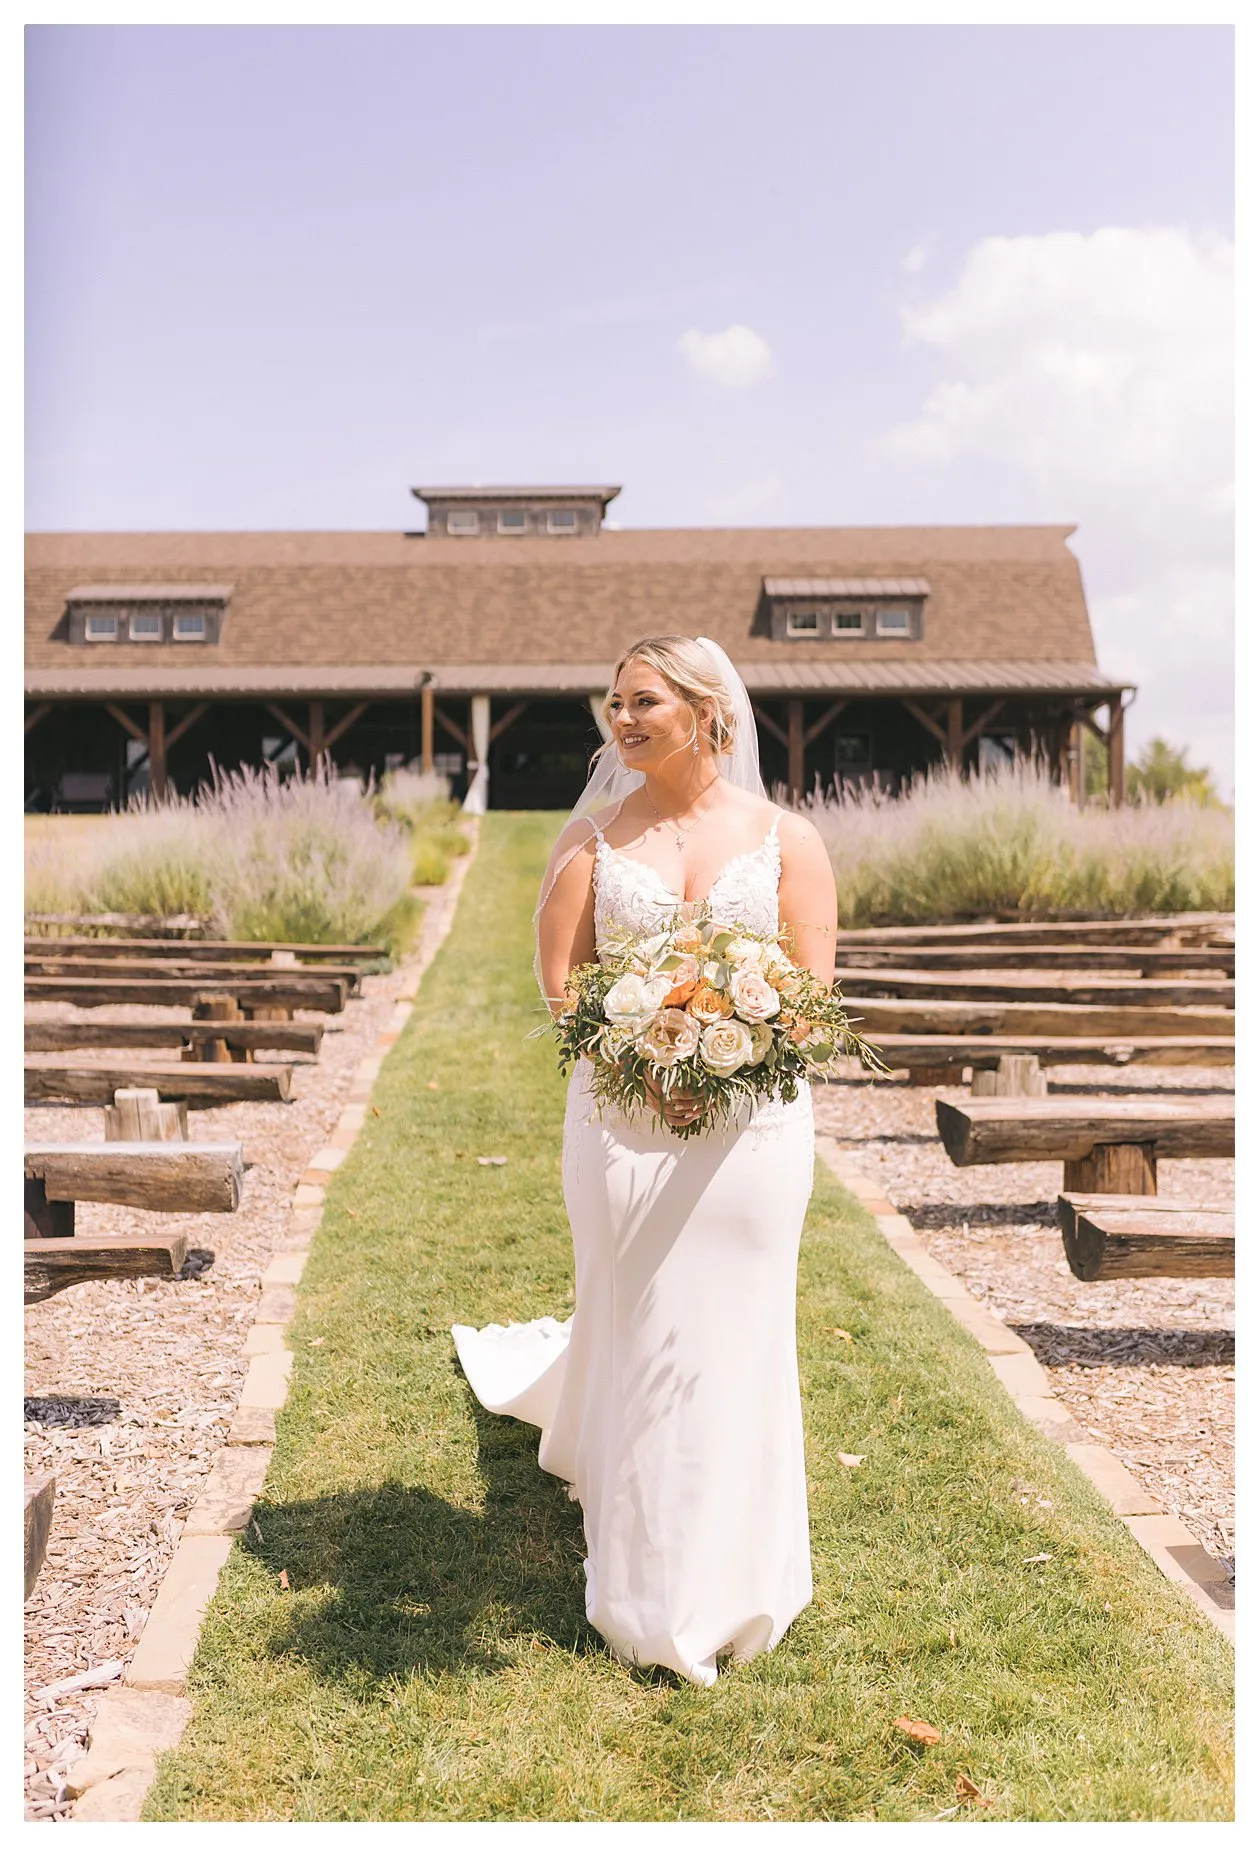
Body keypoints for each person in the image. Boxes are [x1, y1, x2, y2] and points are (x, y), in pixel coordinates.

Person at [452, 635, 838, 1686]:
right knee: (636, 1322)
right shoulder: (588, 842)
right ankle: (644, 1586)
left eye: (643, 701)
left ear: (708, 712)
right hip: (619, 1122)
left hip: (752, 1134)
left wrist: (734, 1053)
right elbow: (561, 986)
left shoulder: (785, 839)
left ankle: (748, 1568)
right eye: (613, 702)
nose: (620, 719)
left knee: (740, 1334)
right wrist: (637, 1053)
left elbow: (809, 999)